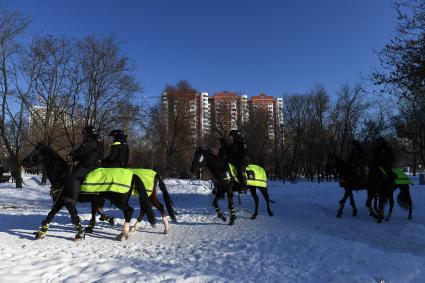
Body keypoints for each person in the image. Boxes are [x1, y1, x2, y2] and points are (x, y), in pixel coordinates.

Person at [62, 126, 103, 204]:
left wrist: (71, 154)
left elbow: (81, 150)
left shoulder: (91, 142)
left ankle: (74, 199)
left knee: (74, 176)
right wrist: (75, 158)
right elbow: (85, 154)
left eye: (85, 134)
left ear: (88, 133)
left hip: (88, 165)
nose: (84, 135)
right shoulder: (95, 141)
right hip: (88, 163)